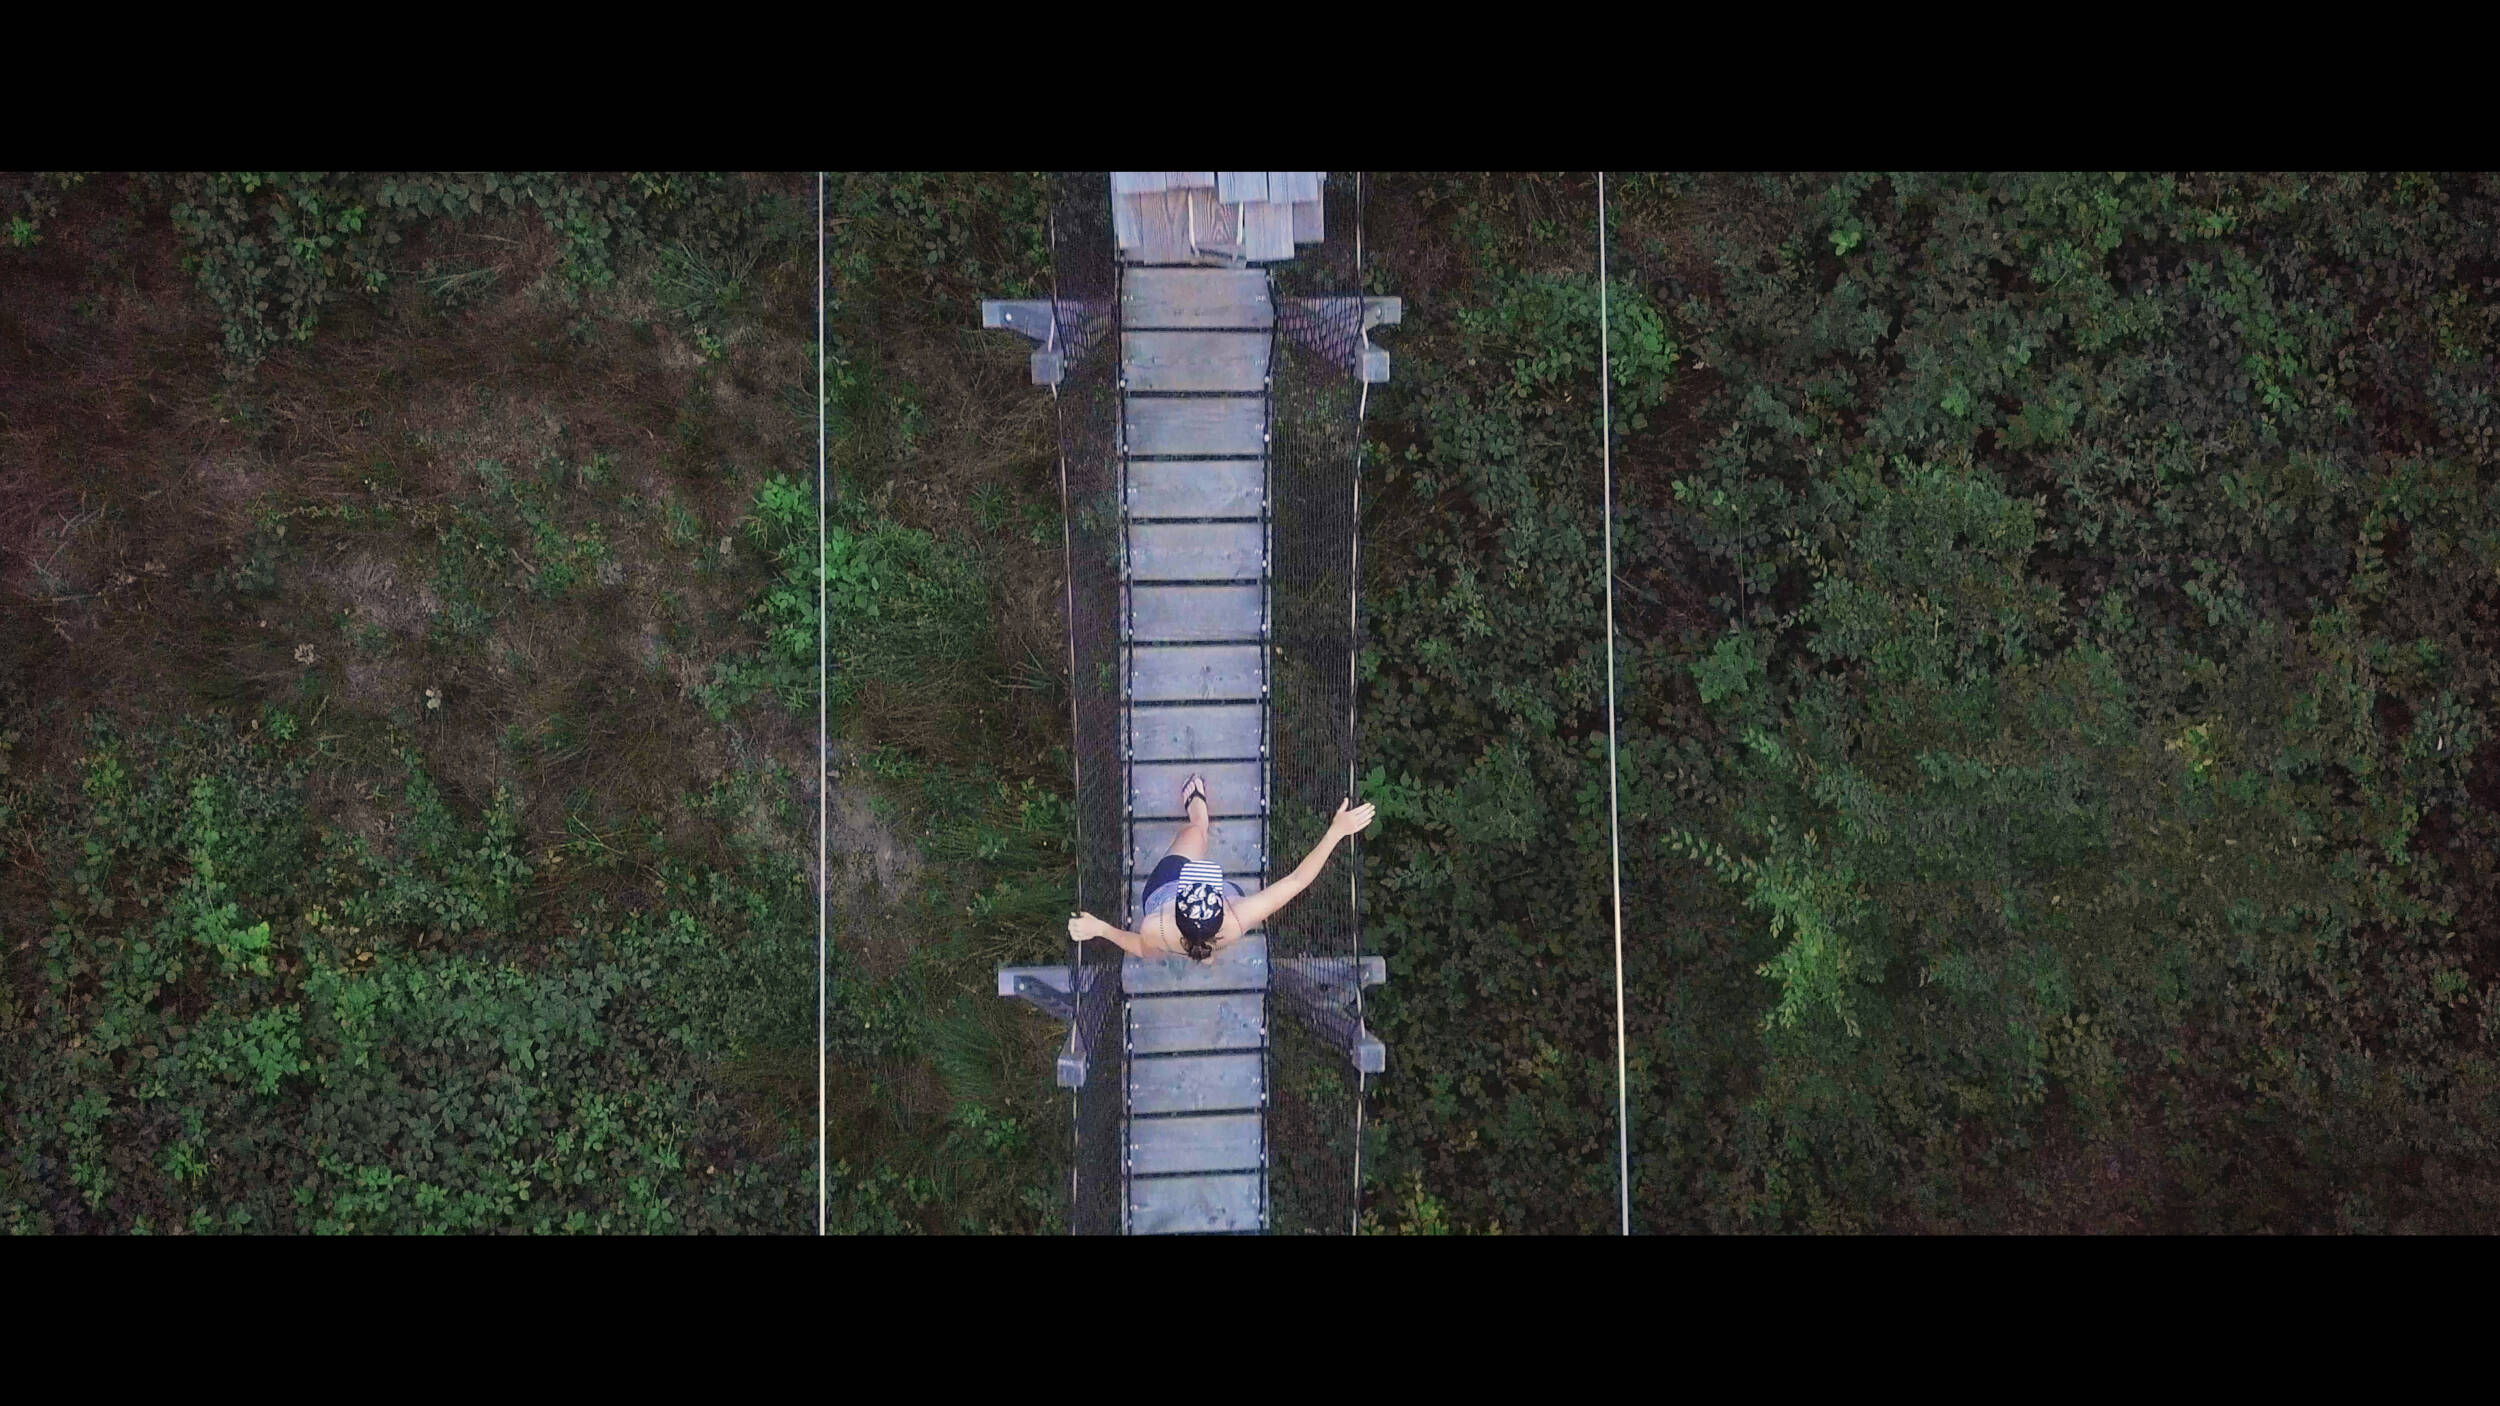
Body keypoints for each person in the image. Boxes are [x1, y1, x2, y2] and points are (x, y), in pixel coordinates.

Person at [1067, 773, 1375, 962]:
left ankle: (1198, 819)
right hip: (1207, 930)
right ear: (1220, 904)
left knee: (1194, 835)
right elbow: (1297, 880)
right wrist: (1336, 832)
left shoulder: (1155, 925)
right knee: (1201, 841)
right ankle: (1204, 954)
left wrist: (1101, 929)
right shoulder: (1237, 919)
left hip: (1163, 893)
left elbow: (1145, 950)